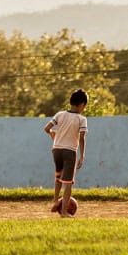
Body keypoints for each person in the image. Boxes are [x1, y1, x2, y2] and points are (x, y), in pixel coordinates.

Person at [45, 89, 88, 217]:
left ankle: (55, 202)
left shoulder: (60, 114)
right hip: (70, 151)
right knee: (68, 183)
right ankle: (63, 212)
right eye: (84, 106)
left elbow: (46, 128)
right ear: (81, 105)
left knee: (58, 178)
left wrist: (52, 134)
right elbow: (81, 138)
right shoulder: (82, 119)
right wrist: (82, 155)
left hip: (56, 150)